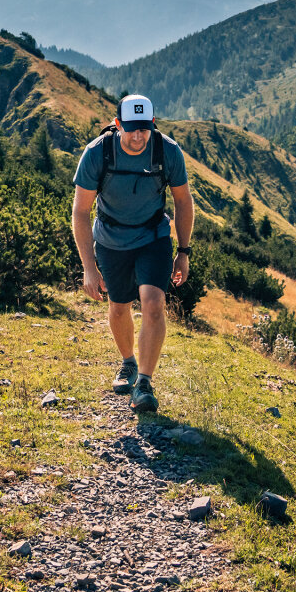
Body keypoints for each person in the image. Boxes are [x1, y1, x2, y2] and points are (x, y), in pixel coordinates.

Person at [71, 94, 194, 413]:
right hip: (111, 242)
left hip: (153, 237)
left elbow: (183, 201)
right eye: (131, 129)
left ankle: (145, 385)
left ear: (152, 125)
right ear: (117, 124)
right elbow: (81, 212)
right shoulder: (98, 153)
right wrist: (89, 266)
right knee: (118, 307)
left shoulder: (167, 151)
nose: (138, 136)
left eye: (144, 129)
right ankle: (128, 362)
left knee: (154, 305)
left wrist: (183, 251)